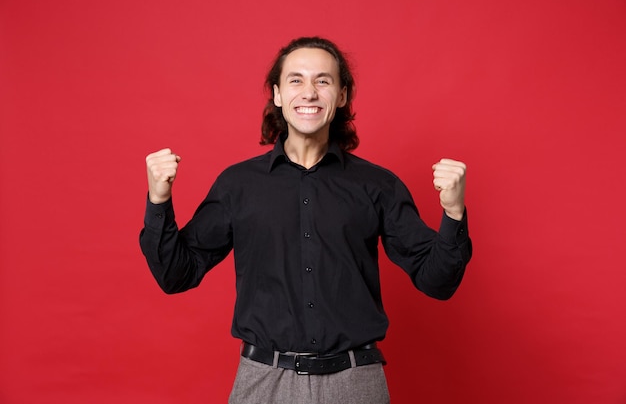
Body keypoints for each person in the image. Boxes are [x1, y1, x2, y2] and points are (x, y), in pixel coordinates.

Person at [139, 36, 472, 404]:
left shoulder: (378, 185)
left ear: (342, 96)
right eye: (296, 80)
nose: (309, 92)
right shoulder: (238, 185)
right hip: (264, 383)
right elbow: (176, 275)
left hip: (355, 383)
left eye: (323, 81)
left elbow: (436, 281)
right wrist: (159, 200)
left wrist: (453, 212)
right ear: (278, 95)